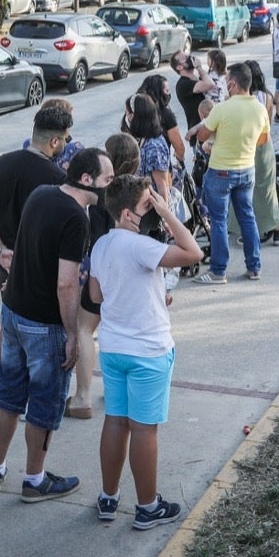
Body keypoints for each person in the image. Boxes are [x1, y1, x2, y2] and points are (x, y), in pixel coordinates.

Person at [0, 149, 114, 503]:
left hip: (13, 314)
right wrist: (72, 333)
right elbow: (66, 284)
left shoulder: (42, 194)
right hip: (44, 325)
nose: (110, 186)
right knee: (44, 402)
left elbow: (23, 247)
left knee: (7, 396)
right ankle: (35, 479)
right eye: (108, 179)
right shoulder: (76, 218)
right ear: (87, 180)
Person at [90, 177, 203, 531]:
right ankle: (147, 506)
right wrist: (169, 212)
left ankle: (108, 497)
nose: (152, 212)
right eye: (147, 207)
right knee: (144, 430)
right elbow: (193, 252)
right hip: (147, 351)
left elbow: (96, 294)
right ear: (127, 213)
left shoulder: (101, 245)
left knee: (115, 421)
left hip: (112, 348)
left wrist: (145, 292)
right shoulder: (139, 246)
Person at [0, 103, 72, 416]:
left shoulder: (0, 164)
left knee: (9, 325)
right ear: (54, 141)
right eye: (66, 139)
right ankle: (33, 399)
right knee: (40, 331)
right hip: (41, 268)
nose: (67, 145)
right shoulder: (57, 177)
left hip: (7, 263)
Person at [188, 67, 268, 285]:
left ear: (232, 83)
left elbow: (203, 135)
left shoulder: (222, 109)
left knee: (219, 220)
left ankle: (218, 270)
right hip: (247, 169)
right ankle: (254, 267)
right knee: (247, 217)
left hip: (221, 170)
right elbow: (263, 140)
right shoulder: (260, 109)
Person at [231, 61, 279, 246]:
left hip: (245, 146)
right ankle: (275, 228)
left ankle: (249, 228)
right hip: (264, 145)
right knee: (267, 188)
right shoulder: (267, 97)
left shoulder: (240, 100)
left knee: (246, 189)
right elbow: (268, 123)